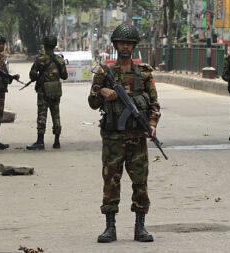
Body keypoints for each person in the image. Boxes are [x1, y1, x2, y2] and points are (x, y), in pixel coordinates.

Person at [88, 23, 161, 243]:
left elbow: (155, 105)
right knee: (111, 180)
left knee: (140, 181)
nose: (126, 46)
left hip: (137, 137)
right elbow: (92, 102)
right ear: (116, 45)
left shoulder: (144, 73)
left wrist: (152, 124)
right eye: (122, 42)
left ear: (134, 46)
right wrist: (103, 91)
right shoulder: (104, 72)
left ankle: (140, 227)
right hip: (113, 137)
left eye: (129, 43)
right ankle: (110, 227)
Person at [27, 35, 68, 150]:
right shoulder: (60, 60)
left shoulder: (40, 59)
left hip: (43, 91)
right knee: (56, 115)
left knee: (42, 115)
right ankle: (57, 142)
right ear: (54, 46)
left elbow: (32, 75)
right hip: (55, 91)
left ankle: (40, 141)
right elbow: (64, 76)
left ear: (45, 46)